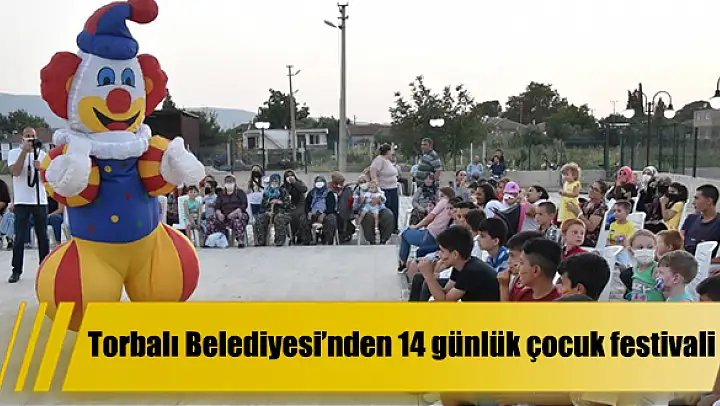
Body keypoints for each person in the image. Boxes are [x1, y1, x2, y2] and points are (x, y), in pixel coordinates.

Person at [7, 128, 49, 283]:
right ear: (22, 138)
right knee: (19, 237)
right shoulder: (14, 153)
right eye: (27, 136)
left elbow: (48, 179)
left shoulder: (42, 154)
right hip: (22, 201)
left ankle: (45, 269)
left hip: (40, 200)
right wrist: (24, 152)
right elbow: (15, 172)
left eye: (33, 136)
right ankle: (16, 270)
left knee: (42, 237)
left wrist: (41, 169)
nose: (30, 139)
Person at [418, 225, 500, 302]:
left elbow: (445, 302)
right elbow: (445, 293)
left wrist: (428, 275)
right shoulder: (460, 266)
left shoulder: (470, 272)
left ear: (455, 254)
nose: (439, 255)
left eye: (442, 251)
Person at [398, 187, 455, 272]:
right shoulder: (451, 205)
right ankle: (404, 262)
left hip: (431, 234)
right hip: (438, 235)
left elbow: (430, 217)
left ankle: (403, 262)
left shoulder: (444, 201)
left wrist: (416, 226)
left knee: (405, 234)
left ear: (443, 194)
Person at [497, 231, 544, 301]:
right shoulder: (516, 278)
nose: (508, 261)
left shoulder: (534, 289)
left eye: (512, 255)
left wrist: (504, 287)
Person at [206, 174, 249, 248]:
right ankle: (211, 240)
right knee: (211, 218)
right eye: (227, 182)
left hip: (237, 213)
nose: (229, 183)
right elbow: (217, 206)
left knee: (238, 217)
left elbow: (244, 205)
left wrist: (234, 213)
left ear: (234, 182)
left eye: (231, 181)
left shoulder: (240, 192)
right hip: (224, 216)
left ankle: (240, 241)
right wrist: (219, 213)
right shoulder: (221, 194)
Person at [625, 229, 664, 302]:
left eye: (650, 247)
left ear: (655, 248)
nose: (645, 250)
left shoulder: (656, 269)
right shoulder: (635, 268)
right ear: (631, 250)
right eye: (640, 247)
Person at [567, 181, 608, 248]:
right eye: (591, 187)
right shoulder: (586, 203)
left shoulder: (600, 207)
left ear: (602, 194)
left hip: (588, 240)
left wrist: (578, 214)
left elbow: (591, 227)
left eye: (596, 190)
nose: (591, 190)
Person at [681, 184, 720, 257]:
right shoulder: (691, 219)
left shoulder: (718, 224)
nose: (693, 202)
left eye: (697, 198)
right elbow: (680, 240)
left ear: (709, 201)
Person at [255, 174, 293, 247]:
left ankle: (279, 240)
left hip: (283, 213)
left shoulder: (283, 191)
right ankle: (261, 241)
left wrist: (280, 202)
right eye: (272, 181)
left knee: (278, 217)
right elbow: (262, 207)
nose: (274, 183)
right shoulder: (266, 193)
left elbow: (288, 205)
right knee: (260, 218)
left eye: (276, 181)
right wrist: (267, 212)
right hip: (270, 213)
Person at [369, 144, 399, 231]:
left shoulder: (388, 161)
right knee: (386, 208)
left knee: (394, 208)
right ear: (388, 151)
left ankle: (394, 227)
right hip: (384, 188)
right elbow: (373, 172)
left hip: (393, 187)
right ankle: (385, 228)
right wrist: (375, 184)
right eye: (391, 151)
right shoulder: (379, 160)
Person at [305, 176, 339, 245]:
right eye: (317, 182)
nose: (319, 183)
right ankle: (308, 240)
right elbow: (306, 205)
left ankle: (327, 240)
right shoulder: (311, 193)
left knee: (331, 219)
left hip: (325, 213)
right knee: (303, 219)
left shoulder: (329, 193)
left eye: (321, 181)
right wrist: (308, 212)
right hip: (313, 213)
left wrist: (324, 214)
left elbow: (331, 207)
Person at [282, 170, 309, 245]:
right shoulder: (283, 186)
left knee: (299, 216)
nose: (290, 177)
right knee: (290, 216)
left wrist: (294, 183)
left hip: (300, 205)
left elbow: (304, 189)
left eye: (291, 175)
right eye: (287, 176)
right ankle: (291, 236)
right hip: (288, 207)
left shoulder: (299, 183)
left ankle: (300, 236)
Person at [0, 178, 12, 248]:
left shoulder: (1, 185)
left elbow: (4, 202)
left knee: (10, 216)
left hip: (2, 213)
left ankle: (10, 239)